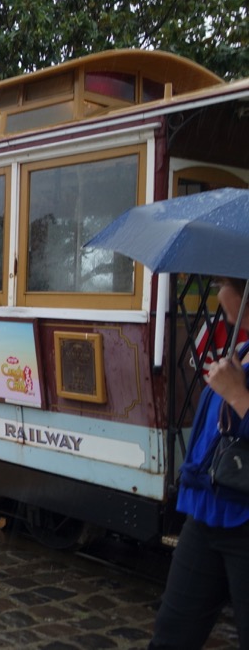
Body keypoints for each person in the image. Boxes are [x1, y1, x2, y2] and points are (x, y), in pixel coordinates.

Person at [150, 276, 249, 648]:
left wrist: (238, 395)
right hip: (206, 515)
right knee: (172, 633)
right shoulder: (242, 349)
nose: (218, 293)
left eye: (222, 284)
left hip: (243, 518)